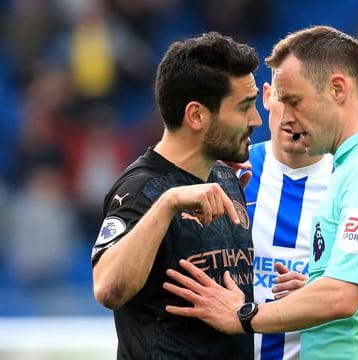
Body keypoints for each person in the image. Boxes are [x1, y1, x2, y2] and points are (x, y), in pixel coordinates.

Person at [162, 25, 358, 360]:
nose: (286, 117)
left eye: (294, 101)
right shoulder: (353, 166)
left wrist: (241, 315)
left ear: (337, 89)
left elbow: (341, 297)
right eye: (280, 101)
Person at [91, 31, 262, 359]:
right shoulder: (140, 189)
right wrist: (167, 204)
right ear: (197, 115)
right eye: (244, 107)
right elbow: (108, 289)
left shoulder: (226, 177)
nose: (255, 120)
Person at [245, 77, 333, 360]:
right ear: (268, 96)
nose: (293, 116)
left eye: (304, 103)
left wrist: (318, 294)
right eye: (286, 100)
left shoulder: (348, 183)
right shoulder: (230, 173)